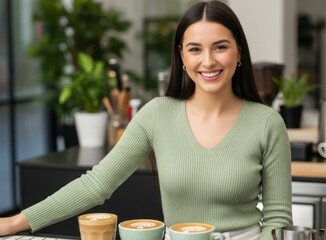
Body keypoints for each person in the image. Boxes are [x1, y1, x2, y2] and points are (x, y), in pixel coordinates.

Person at [0, 1, 293, 239]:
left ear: (238, 51)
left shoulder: (267, 123)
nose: (208, 61)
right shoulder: (156, 114)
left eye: (220, 47)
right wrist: (15, 223)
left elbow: (278, 220)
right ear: (181, 56)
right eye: (195, 49)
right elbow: (97, 184)